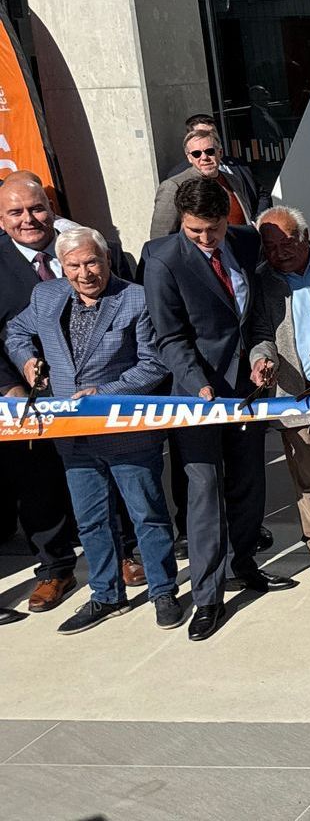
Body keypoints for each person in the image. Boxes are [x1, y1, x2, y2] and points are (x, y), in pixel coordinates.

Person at [4, 227, 178, 633]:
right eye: (74, 265)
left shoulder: (135, 299)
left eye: (92, 262)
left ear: (107, 260)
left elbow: (154, 364)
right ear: (61, 268)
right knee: (92, 521)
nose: (85, 273)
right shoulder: (46, 298)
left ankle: (163, 591)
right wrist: (28, 361)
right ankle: (106, 596)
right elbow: (15, 332)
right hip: (72, 436)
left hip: (126, 432)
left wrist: (104, 394)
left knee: (147, 515)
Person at [141, 176, 291, 641]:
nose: (206, 240)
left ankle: (243, 564)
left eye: (213, 230)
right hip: (197, 395)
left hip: (246, 389)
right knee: (205, 493)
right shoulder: (162, 258)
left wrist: (261, 359)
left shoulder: (246, 242)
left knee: (249, 482)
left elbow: (250, 320)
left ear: (227, 219)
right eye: (195, 232)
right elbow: (169, 335)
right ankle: (208, 596)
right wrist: (199, 384)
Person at [0, 174, 80, 614]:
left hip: (86, 391)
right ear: (1, 219)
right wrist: (8, 387)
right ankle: (54, 568)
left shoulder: (81, 245)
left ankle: (125, 552)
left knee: (101, 471)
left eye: (36, 208)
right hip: (21, 396)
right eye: (16, 212)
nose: (29, 219)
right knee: (37, 483)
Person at [255, 205, 310, 577]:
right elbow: (261, 333)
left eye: (287, 242)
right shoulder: (262, 282)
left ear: (304, 237)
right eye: (271, 246)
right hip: (296, 390)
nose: (281, 252)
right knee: (309, 476)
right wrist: (262, 359)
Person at [149, 127, 269, 239]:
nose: (204, 157)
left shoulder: (234, 180)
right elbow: (161, 236)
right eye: (196, 154)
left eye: (210, 151)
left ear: (220, 153)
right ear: (189, 158)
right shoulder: (174, 186)